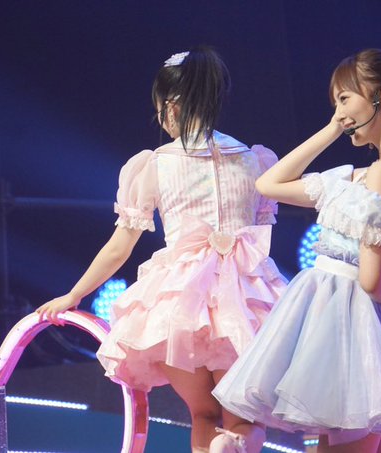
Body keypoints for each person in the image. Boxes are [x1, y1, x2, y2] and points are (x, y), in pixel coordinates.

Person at [212, 48, 381, 453]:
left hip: (349, 320)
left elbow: (371, 280)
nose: (339, 114)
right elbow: (268, 185)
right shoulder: (370, 174)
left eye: (343, 99)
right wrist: (331, 130)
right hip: (342, 318)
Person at [37, 46, 287, 453]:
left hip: (180, 301)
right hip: (246, 302)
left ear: (171, 106)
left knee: (203, 414)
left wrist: (74, 294)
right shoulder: (254, 161)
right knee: (244, 418)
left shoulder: (156, 164)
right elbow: (261, 236)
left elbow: (120, 247)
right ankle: (233, 444)